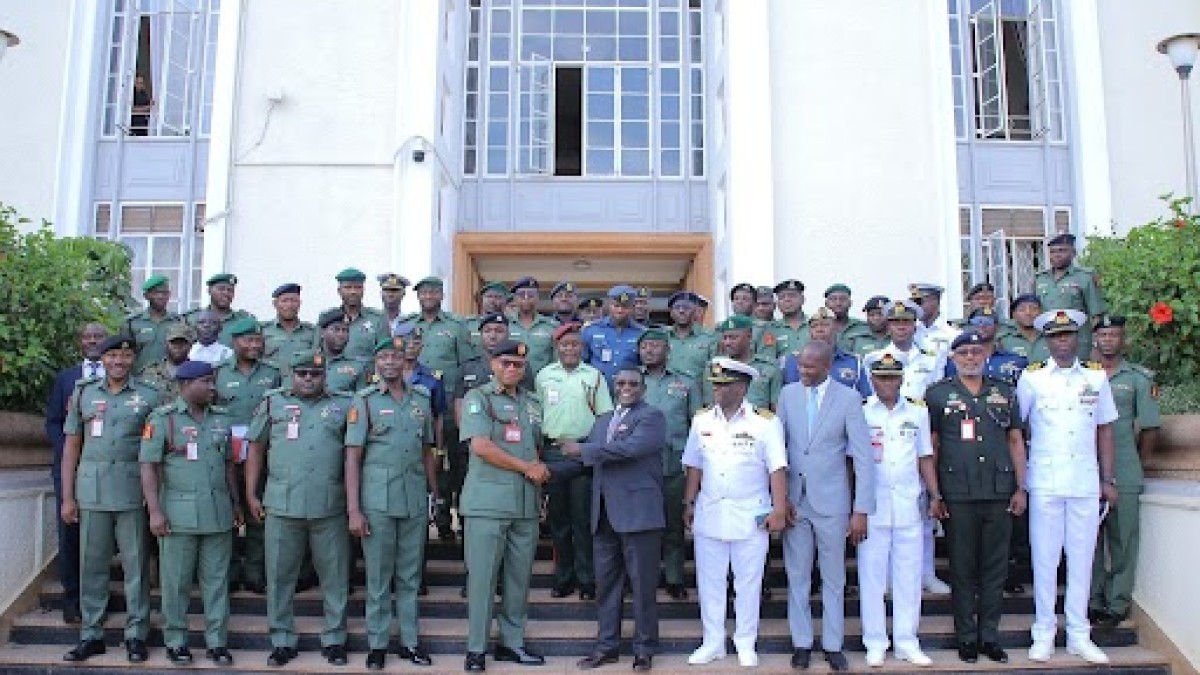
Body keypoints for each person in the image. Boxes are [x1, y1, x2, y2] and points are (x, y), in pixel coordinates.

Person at [1017, 309, 1118, 664]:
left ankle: (1078, 633)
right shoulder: (1032, 379)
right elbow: (1020, 430)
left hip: (1085, 480)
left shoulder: (1095, 379)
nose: (1063, 341)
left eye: (1068, 335)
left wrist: (1108, 479)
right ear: (1046, 340)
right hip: (1044, 479)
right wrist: (1022, 480)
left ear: (1077, 338)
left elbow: (1105, 429)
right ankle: (1044, 631)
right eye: (1056, 336)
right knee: (1044, 559)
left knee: (1082, 559)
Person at [245, 350, 353, 668]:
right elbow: (256, 448)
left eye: (315, 374)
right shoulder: (272, 402)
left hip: (329, 504)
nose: (308, 379)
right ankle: (281, 639)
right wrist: (251, 493)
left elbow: (354, 455)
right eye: (303, 373)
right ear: (292, 374)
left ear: (325, 376)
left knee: (334, 577)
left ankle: (334, 639)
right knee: (279, 576)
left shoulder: (344, 404)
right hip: (282, 503)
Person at [557, 363, 667, 672]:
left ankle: (644, 649)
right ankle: (607, 647)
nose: (627, 388)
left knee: (643, 587)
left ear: (642, 388)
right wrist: (543, 470)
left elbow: (629, 449)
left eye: (633, 383)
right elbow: (587, 462)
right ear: (613, 387)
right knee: (607, 586)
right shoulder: (602, 420)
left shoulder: (651, 416)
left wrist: (581, 449)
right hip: (603, 515)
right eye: (621, 384)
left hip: (639, 515)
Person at [924, 331, 1027, 664]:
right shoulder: (938, 395)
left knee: (995, 569)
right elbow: (933, 447)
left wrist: (1021, 487)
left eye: (976, 351)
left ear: (987, 355)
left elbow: (1015, 441)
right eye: (963, 352)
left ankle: (990, 637)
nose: (970, 357)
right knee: (963, 568)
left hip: (999, 491)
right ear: (953, 358)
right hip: (958, 494)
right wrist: (935, 493)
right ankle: (966, 637)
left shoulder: (1004, 392)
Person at [60, 336, 160, 663]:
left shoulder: (149, 395)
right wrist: (68, 497)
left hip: (133, 492)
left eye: (125, 355)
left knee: (135, 567)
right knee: (92, 566)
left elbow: (157, 451)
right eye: (112, 355)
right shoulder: (84, 392)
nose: (119, 361)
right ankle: (92, 634)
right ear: (102, 359)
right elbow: (71, 448)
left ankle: (136, 634)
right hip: (92, 492)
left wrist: (155, 498)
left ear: (133, 359)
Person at [682, 357, 788, 668]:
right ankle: (713, 641)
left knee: (748, 583)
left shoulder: (765, 422)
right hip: (711, 511)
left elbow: (777, 468)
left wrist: (779, 509)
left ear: (741, 387)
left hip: (750, 513)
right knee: (710, 581)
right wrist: (688, 503)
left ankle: (745, 641)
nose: (717, 389)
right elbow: (694, 466)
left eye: (724, 384)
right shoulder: (702, 421)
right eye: (715, 384)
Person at [777, 341, 874, 672]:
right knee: (797, 575)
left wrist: (861, 509)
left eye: (811, 366)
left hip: (833, 502)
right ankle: (801, 643)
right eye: (801, 365)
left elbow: (862, 456)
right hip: (794, 501)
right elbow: (778, 450)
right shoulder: (788, 395)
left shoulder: (847, 399)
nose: (804, 371)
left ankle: (833, 644)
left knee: (833, 578)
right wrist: (779, 500)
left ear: (827, 366)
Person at [345, 337, 439, 670]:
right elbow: (353, 456)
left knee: (410, 576)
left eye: (396, 356)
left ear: (406, 360)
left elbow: (426, 450)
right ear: (375, 363)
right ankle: (378, 643)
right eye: (383, 356)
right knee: (378, 575)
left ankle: (410, 642)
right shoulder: (365, 401)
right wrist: (354, 509)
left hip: (413, 497)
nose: (390, 362)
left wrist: (434, 493)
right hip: (377, 500)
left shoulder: (421, 400)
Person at [139, 360, 240, 666]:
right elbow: (148, 467)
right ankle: (176, 641)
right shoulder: (162, 420)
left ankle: (217, 642)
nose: (212, 387)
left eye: (213, 382)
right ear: (185, 385)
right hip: (178, 516)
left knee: (217, 582)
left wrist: (236, 504)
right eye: (206, 382)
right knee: (176, 583)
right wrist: (154, 511)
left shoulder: (222, 419)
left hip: (218, 513)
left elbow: (229, 466)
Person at [459, 340, 549, 672]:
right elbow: (481, 446)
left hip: (524, 505)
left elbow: (536, 447)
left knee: (518, 580)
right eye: (506, 363)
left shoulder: (532, 403)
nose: (512, 369)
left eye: (518, 365)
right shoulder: (478, 399)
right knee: (482, 581)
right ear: (492, 363)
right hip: (487, 504)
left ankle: (512, 643)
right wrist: (528, 468)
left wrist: (539, 468)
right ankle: (476, 649)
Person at [857, 351, 937, 667]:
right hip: (873, 505)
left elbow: (925, 456)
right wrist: (856, 507)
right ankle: (875, 641)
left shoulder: (917, 412)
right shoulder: (861, 412)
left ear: (902, 379)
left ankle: (907, 640)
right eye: (881, 377)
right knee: (872, 578)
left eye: (892, 377)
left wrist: (934, 495)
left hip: (908, 503)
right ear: (871, 379)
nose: (887, 383)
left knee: (908, 576)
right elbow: (853, 463)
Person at [1089, 314, 1161, 627]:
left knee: (1123, 540)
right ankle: (1091, 600)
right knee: (1088, 542)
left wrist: (1140, 462)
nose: (1108, 340)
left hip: (1125, 469)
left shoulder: (1138, 378)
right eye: (1103, 335)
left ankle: (1117, 603)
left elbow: (1149, 427)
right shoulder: (1084, 376)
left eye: (1114, 335)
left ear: (1123, 339)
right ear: (1095, 339)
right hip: (1085, 470)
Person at [537, 322, 613, 600]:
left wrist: (589, 449)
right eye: (565, 344)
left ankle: (586, 580)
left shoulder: (594, 376)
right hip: (553, 452)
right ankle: (563, 578)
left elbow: (604, 417)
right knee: (558, 521)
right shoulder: (543, 376)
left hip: (583, 452)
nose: (570, 349)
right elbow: (536, 414)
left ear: (582, 347)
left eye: (575, 344)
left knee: (582, 520)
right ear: (557, 347)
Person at [881, 300, 949, 595]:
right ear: (888, 326)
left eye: (906, 323)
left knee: (922, 508)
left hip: (921, 436)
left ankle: (926, 573)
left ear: (914, 325)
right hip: (886, 437)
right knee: (883, 512)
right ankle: (885, 576)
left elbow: (938, 396)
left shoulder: (932, 357)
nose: (901, 328)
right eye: (896, 323)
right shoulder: (874, 358)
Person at [45, 322, 108, 625]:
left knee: (102, 537)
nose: (93, 341)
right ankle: (72, 600)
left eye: (98, 337)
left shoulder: (117, 376)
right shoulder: (65, 378)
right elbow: (53, 421)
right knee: (70, 532)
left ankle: (98, 598)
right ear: (80, 342)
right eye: (87, 336)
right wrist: (69, 452)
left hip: (108, 469)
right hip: (71, 467)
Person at [214, 318, 282, 595]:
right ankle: (228, 573)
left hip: (261, 454)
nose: (254, 345)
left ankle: (255, 573)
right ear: (234, 342)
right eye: (248, 340)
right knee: (227, 513)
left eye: (257, 340)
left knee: (258, 515)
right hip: (225, 454)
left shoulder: (273, 373)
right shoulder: (218, 374)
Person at [637, 329, 701, 600]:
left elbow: (697, 425)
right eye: (645, 346)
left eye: (656, 346)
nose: (649, 350)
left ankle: (674, 577)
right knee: (642, 525)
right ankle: (643, 577)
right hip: (638, 465)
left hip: (675, 464)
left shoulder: (685, 383)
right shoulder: (630, 380)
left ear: (668, 350)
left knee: (674, 524)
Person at [1035, 233, 1106, 359]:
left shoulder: (1085, 277)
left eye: (1062, 250)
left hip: (1078, 344)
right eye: (1053, 252)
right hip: (1047, 343)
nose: (1057, 255)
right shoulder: (1040, 279)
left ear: (1073, 253)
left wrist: (1096, 345)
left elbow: (1097, 315)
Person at [781, 307, 872, 397]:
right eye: (814, 326)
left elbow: (865, 398)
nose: (819, 330)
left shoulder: (854, 362)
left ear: (836, 328)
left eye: (825, 325)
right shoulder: (794, 361)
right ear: (809, 331)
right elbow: (789, 397)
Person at [704, 315, 780, 410]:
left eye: (733, 338)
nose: (727, 342)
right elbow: (709, 406)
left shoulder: (768, 368)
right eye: (725, 338)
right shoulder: (716, 367)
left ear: (749, 337)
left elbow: (775, 408)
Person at [943, 307, 1028, 386]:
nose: (982, 326)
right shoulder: (955, 361)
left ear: (997, 327)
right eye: (977, 322)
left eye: (987, 322)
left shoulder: (1016, 360)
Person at [581, 285, 646, 387]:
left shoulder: (641, 333)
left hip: (629, 391)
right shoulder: (591, 330)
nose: (620, 310)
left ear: (632, 307)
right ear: (608, 305)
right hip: (598, 390)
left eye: (625, 307)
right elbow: (582, 363)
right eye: (616, 306)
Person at [317, 268, 388, 360]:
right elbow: (317, 350)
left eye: (358, 287)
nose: (353, 292)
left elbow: (384, 354)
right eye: (348, 287)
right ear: (339, 291)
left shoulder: (377, 319)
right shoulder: (327, 318)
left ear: (363, 290)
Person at [184, 273, 257, 347]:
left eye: (230, 290)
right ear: (209, 291)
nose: (226, 293)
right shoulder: (192, 318)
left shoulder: (243, 320)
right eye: (221, 289)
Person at [126, 274, 180, 373]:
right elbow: (125, 353)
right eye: (156, 293)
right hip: (140, 379)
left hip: (170, 380)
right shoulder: (133, 323)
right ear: (146, 296)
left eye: (165, 293)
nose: (161, 296)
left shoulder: (178, 322)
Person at [507, 276, 559, 378]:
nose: (526, 298)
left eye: (531, 295)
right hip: (511, 382)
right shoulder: (504, 324)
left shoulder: (552, 326)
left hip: (542, 383)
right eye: (521, 295)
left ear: (538, 298)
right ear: (514, 299)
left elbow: (556, 359)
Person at [260, 283, 317, 375]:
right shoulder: (263, 330)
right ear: (275, 304)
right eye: (284, 301)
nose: (289, 305)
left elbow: (317, 359)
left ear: (299, 304)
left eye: (294, 301)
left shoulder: (312, 331)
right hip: (270, 383)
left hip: (301, 384)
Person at [314, 310, 371, 394]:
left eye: (345, 330)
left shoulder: (358, 367)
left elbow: (362, 400)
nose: (341, 335)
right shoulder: (307, 361)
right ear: (322, 333)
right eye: (336, 330)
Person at [664, 290, 716, 380]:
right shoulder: (662, 337)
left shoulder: (711, 338)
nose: (681, 311)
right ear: (671, 313)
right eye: (677, 307)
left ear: (696, 311)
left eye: (687, 307)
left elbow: (717, 373)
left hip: (698, 393)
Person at [910, 283, 960, 372]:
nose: (917, 306)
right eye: (914, 303)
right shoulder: (909, 332)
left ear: (935, 301)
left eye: (920, 302)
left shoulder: (952, 334)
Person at [139, 322, 195, 399]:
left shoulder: (198, 373)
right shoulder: (149, 372)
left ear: (191, 345)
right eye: (173, 342)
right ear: (165, 344)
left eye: (183, 343)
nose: (178, 347)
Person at [1001, 293, 1052, 363]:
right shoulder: (1003, 339)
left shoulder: (1051, 336)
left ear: (1041, 313)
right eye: (1022, 309)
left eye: (1034, 309)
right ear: (1014, 314)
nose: (1028, 313)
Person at [823, 284, 872, 353]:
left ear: (850, 303)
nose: (838, 303)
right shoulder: (816, 328)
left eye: (843, 299)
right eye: (833, 299)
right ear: (826, 303)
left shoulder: (864, 327)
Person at [766, 279, 808, 357]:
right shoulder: (770, 329)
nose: (787, 300)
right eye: (781, 297)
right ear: (777, 303)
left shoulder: (815, 325)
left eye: (792, 296)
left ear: (802, 299)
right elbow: (769, 358)